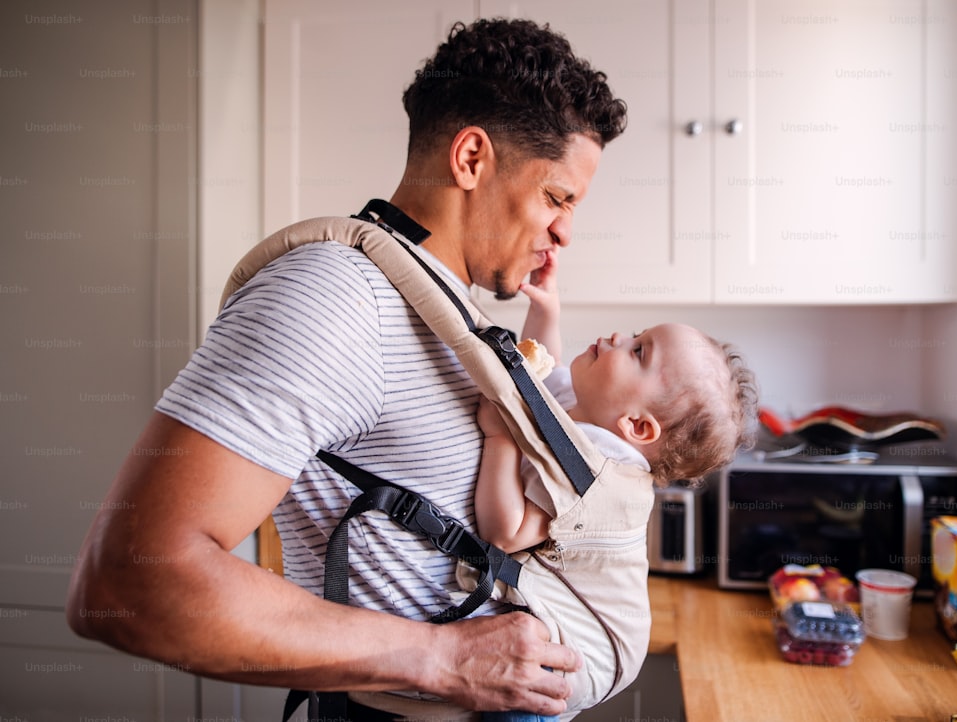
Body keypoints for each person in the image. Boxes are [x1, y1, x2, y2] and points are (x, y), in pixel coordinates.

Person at [66, 17, 627, 722]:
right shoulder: (338, 297)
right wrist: (444, 658)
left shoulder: (444, 312)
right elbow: (126, 581)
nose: (565, 231)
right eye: (557, 197)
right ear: (472, 158)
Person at [474, 253, 758, 722]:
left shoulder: (598, 471)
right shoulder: (593, 404)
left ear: (637, 427)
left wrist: (500, 436)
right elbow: (540, 379)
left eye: (638, 351)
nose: (616, 337)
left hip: (589, 647)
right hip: (580, 628)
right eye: (637, 334)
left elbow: (507, 531)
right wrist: (547, 310)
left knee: (514, 700)